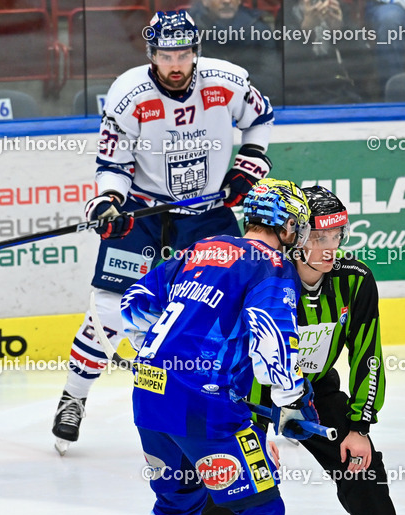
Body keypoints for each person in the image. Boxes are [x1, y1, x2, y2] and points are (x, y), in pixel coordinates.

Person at [164, 185, 405, 515]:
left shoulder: (354, 282)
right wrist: (259, 433)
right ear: (299, 237)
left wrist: (359, 425)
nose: (331, 248)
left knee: (361, 462)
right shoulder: (265, 273)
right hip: (249, 393)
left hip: (315, 392)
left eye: (338, 236)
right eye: (321, 237)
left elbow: (367, 356)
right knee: (231, 474)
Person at [113, 179, 318, 515]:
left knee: (176, 503)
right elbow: (271, 337)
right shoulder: (272, 266)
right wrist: (290, 401)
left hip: (149, 393)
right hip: (205, 406)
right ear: (288, 226)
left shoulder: (202, 248)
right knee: (261, 511)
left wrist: (162, 354)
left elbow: (133, 302)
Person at [52, 9, 275, 455]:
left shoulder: (228, 82)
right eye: (166, 55)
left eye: (184, 54)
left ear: (196, 52)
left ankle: (256, 406)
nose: (176, 64)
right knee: (111, 309)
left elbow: (260, 118)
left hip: (209, 214)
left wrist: (250, 167)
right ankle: (74, 396)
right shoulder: (128, 95)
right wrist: (109, 202)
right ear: (151, 54)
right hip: (144, 212)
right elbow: (113, 164)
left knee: (233, 308)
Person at [190, 0, 284, 103]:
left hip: (250, 105)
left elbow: (274, 82)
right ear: (205, 2)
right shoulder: (190, 32)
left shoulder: (259, 30)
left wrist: (237, 85)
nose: (226, 1)